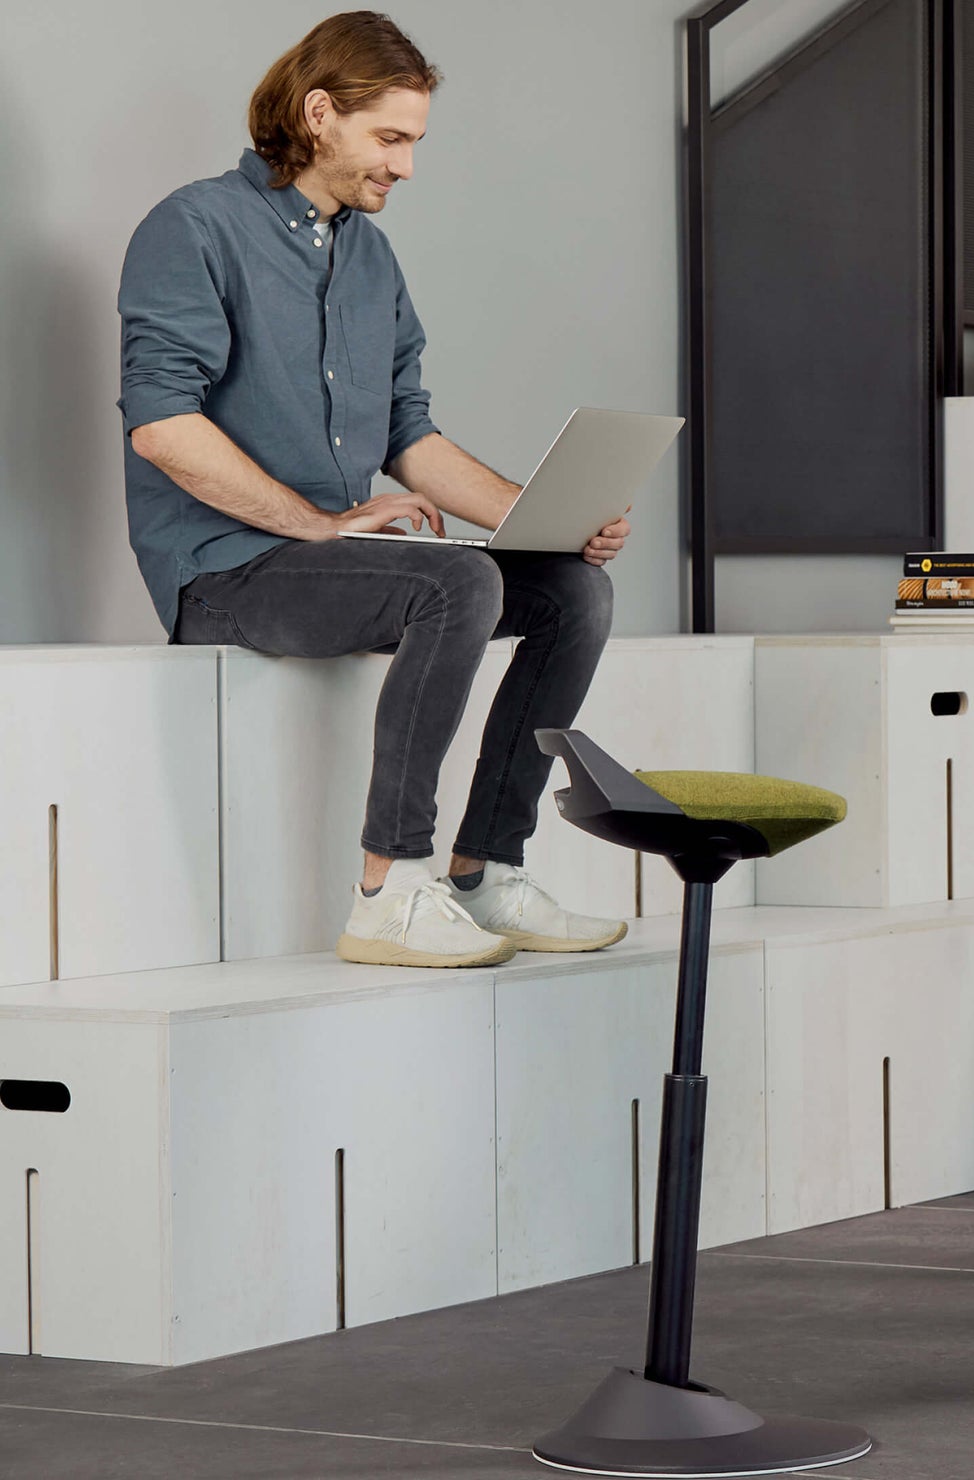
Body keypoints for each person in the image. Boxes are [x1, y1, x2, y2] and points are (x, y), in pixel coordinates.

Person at [118, 12, 629, 969]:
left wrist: (544, 518)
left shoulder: (369, 257)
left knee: (573, 591)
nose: (405, 166)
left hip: (338, 562)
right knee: (458, 585)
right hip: (227, 570)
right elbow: (162, 427)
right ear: (320, 116)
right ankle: (388, 891)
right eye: (390, 138)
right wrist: (319, 522)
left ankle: (485, 874)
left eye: (414, 142)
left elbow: (407, 434)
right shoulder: (193, 227)